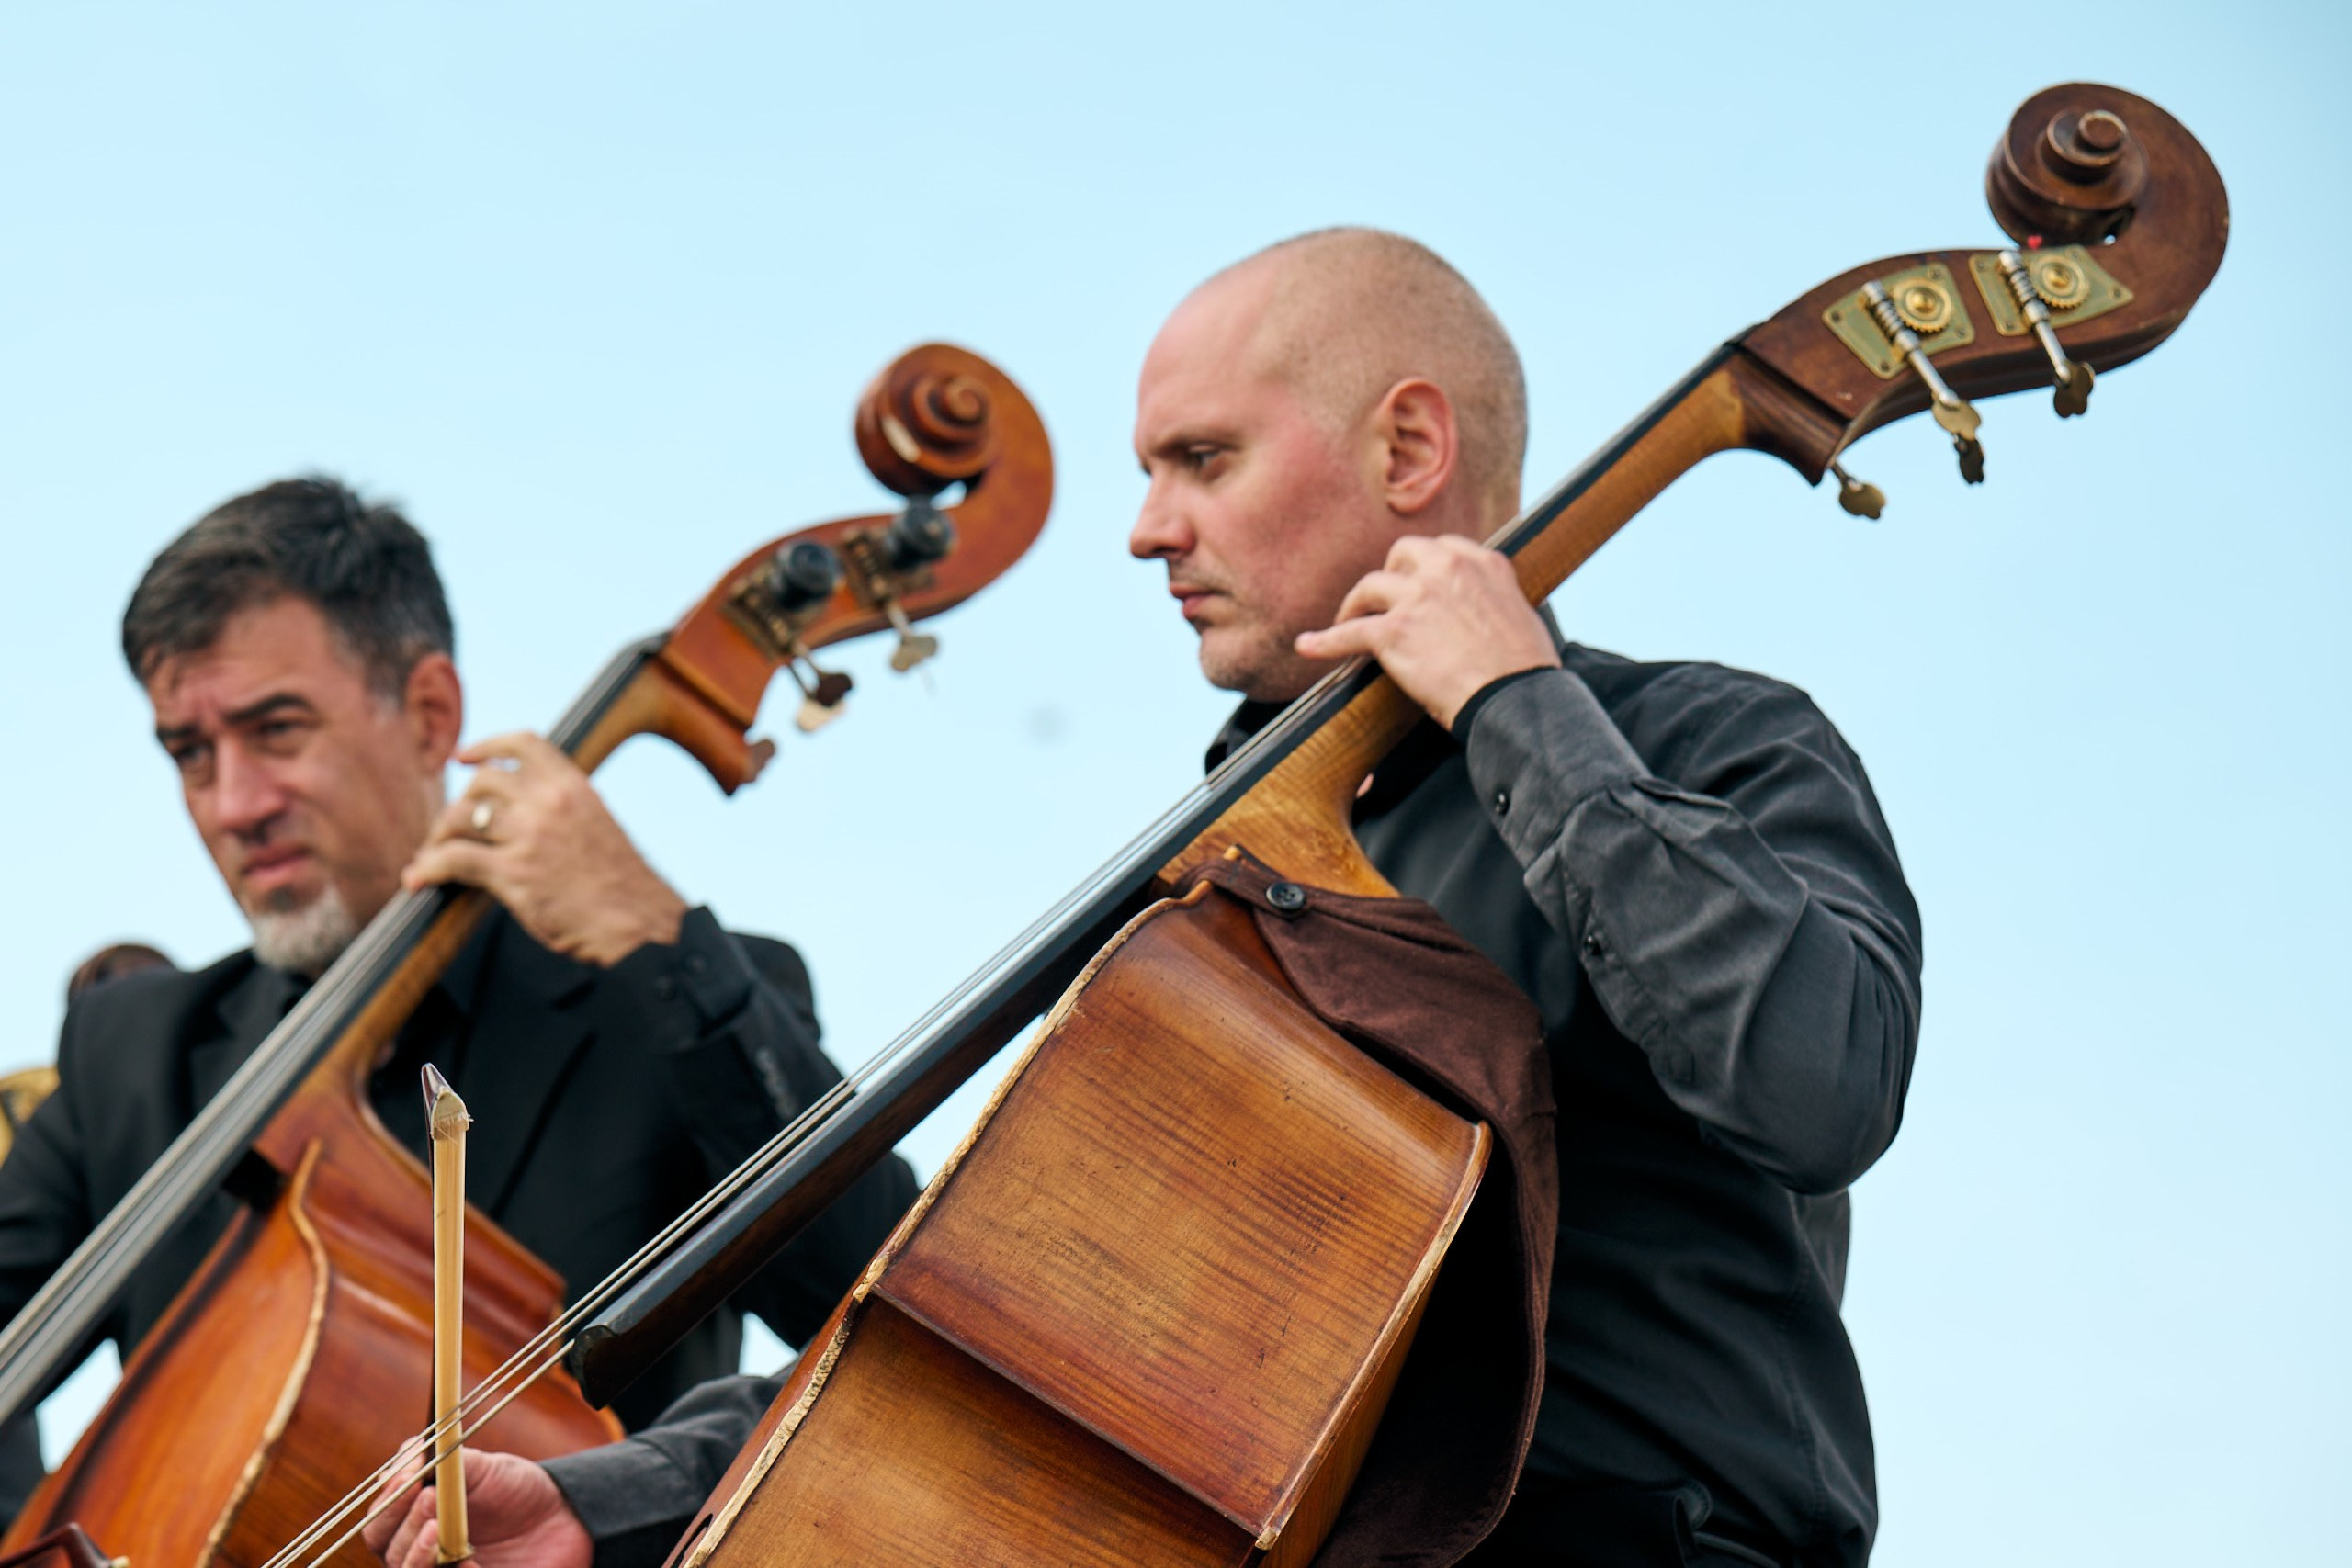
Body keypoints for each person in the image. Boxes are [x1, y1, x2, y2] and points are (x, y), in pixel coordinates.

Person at [372, 228, 1921, 1568]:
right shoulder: (1213, 906)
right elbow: (1010, 1328)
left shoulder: (1709, 744)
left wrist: (1514, 700)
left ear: (1407, 451)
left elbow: (1815, 1074)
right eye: (1148, 472)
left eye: (1202, 460)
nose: (1145, 528)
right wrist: (615, 1504)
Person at [0, 479, 915, 1515]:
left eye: (278, 730)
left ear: (431, 710)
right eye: (190, 753)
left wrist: (654, 935)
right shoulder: (130, 1051)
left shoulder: (671, 1007)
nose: (233, 803)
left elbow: (884, 1310)